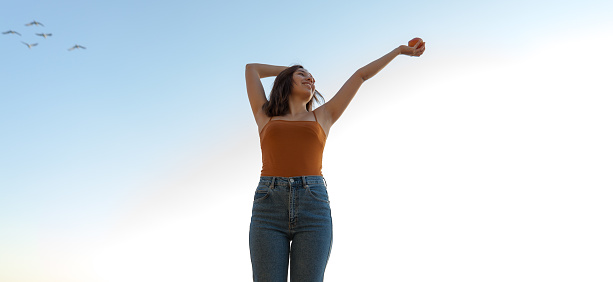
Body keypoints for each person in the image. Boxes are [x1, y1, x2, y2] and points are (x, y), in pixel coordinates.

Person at [245, 39, 426, 282]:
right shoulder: (264, 114)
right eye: (303, 75)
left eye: (312, 77)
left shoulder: (323, 115)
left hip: (313, 206)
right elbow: (251, 69)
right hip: (269, 206)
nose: (311, 79)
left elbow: (361, 76)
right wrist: (287, 71)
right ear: (287, 81)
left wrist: (398, 51)